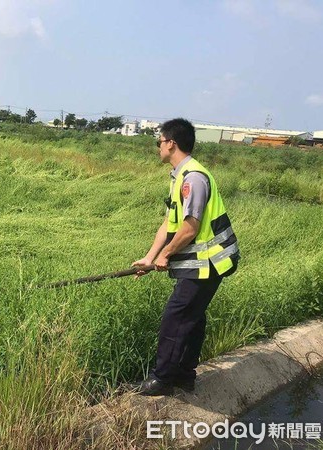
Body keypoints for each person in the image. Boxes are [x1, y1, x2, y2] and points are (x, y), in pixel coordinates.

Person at [131, 118, 239, 396]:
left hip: (210, 263)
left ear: (171, 143)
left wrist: (166, 256)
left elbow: (190, 227)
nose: (158, 147)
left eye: (159, 142)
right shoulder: (179, 176)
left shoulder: (193, 178)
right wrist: (149, 257)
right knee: (192, 317)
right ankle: (184, 375)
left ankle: (163, 378)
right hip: (199, 264)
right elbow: (169, 223)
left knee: (176, 318)